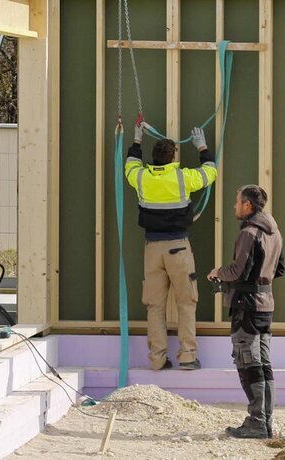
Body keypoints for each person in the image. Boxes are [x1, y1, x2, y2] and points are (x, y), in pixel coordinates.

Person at [127, 122, 216, 371]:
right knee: (186, 302)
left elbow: (130, 166)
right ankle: (187, 356)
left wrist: (136, 140)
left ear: (154, 157)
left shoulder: (142, 177)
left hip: (152, 249)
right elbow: (210, 172)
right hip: (178, 247)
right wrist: (202, 147)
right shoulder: (182, 177)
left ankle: (157, 359)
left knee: (155, 306)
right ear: (173, 157)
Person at [207, 184, 284, 439]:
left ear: (248, 205)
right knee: (263, 364)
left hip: (246, 307)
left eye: (237, 201)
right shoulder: (274, 232)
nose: (234, 206)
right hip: (266, 305)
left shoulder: (249, 233)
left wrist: (217, 272)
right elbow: (279, 270)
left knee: (248, 365)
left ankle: (256, 423)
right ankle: (265, 422)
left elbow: (237, 271)